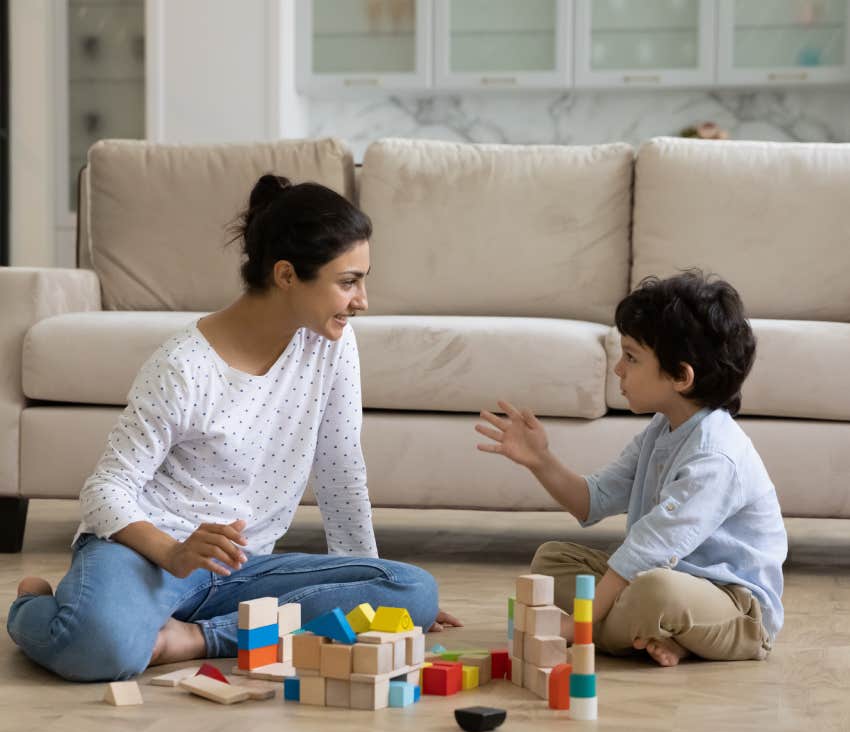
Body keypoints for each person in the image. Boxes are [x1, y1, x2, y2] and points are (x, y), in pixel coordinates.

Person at [8, 174, 460, 682]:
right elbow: (103, 492)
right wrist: (175, 553)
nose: (363, 301)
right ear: (287, 275)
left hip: (237, 571)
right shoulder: (183, 364)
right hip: (146, 556)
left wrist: (367, 590)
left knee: (412, 593)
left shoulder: (331, 346)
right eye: (348, 281)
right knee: (99, 650)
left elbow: (340, 471)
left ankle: (194, 637)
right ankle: (34, 603)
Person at [476, 270, 785, 666]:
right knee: (550, 561)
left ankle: (641, 628)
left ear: (681, 377)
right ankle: (658, 633)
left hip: (733, 606)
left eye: (632, 357)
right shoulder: (662, 428)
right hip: (656, 580)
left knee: (656, 592)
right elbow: (593, 501)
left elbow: (646, 550)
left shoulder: (716, 456)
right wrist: (540, 459)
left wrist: (574, 630)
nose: (619, 369)